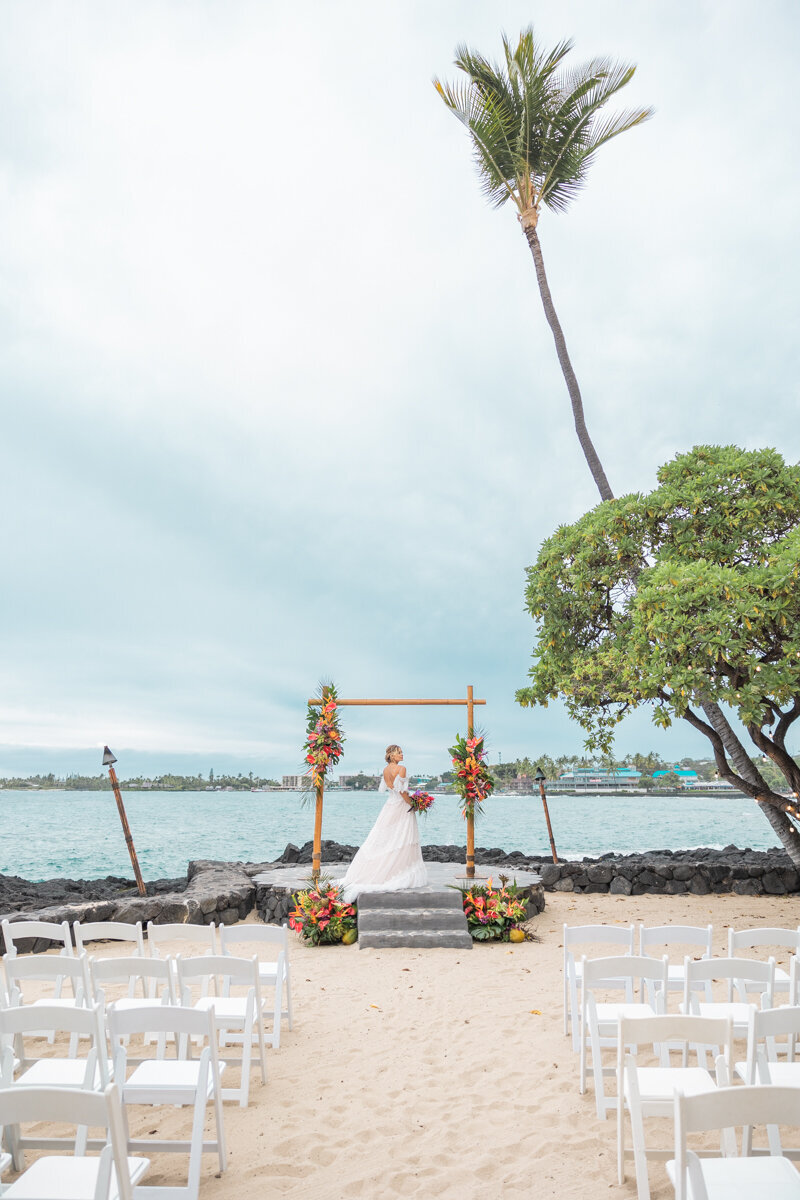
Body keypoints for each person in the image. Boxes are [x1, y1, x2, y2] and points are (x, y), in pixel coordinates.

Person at [340, 744, 427, 902]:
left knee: (385, 839)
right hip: (401, 806)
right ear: (392, 755)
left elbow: (390, 789)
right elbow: (402, 792)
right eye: (399, 752)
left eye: (401, 752)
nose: (402, 755)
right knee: (403, 839)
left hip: (389, 806)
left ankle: (380, 870)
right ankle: (400, 872)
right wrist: (413, 804)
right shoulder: (401, 769)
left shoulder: (385, 770)